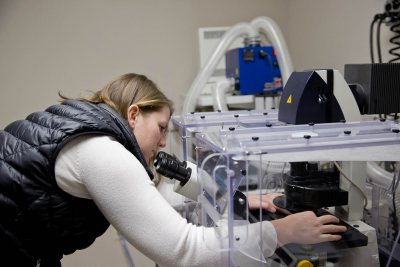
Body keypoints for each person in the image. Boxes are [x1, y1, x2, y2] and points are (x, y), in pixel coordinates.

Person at [0, 73, 346, 267]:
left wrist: (239, 199)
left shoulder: (90, 133)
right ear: (133, 115)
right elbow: (184, 250)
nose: (164, 142)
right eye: (162, 128)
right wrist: (282, 232)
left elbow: (154, 196)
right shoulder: (102, 151)